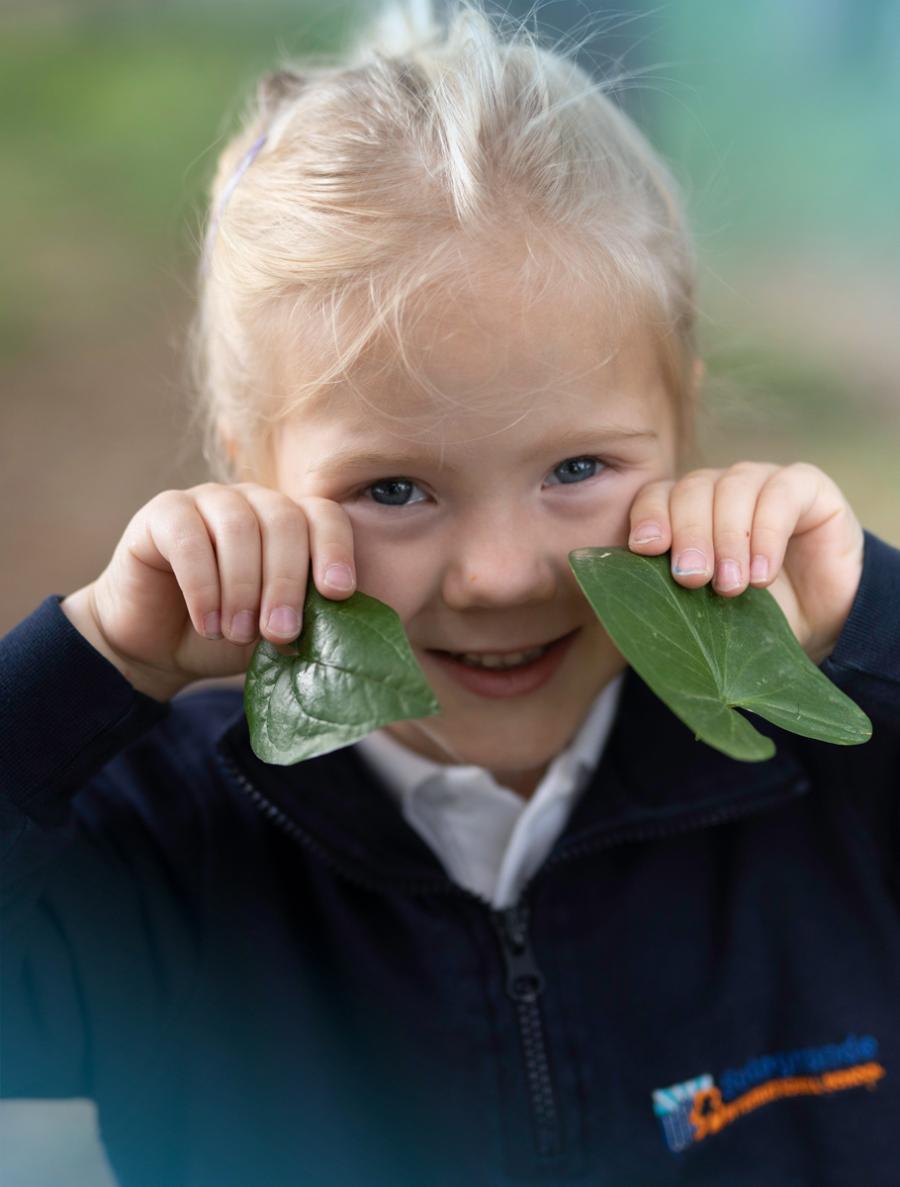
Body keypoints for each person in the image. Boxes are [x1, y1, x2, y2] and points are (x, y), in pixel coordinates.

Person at [2, 2, 898, 1184]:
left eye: (577, 469)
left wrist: (868, 617)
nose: (497, 577)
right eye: (394, 487)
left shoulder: (834, 776)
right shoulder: (159, 836)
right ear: (252, 471)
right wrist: (96, 663)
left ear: (684, 417)